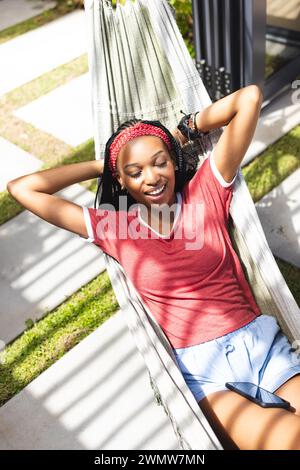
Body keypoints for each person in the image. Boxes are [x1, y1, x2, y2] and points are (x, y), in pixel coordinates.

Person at [7, 85, 300, 450]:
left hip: (259, 343)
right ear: (121, 180)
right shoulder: (114, 227)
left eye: (160, 162)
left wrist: (184, 130)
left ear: (173, 161)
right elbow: (23, 189)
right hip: (204, 371)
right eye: (134, 171)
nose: (151, 177)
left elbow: (250, 98)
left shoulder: (206, 190)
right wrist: (105, 165)